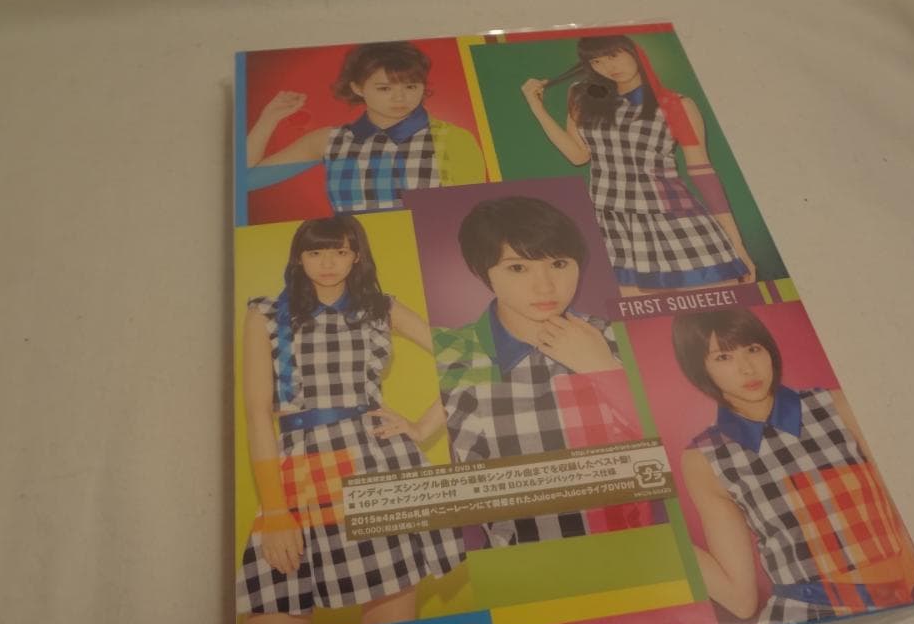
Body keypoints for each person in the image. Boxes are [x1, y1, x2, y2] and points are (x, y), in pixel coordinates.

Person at [237, 217, 464, 624]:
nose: (327, 263)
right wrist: (275, 512)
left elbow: (469, 356)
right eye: (315, 252)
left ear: (356, 256)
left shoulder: (381, 308)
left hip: (376, 466)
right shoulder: (264, 314)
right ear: (298, 258)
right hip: (300, 472)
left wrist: (421, 427)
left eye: (340, 252)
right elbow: (257, 415)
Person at [671, 307, 914, 624]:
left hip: (899, 600)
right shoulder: (705, 457)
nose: (747, 368)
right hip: (803, 617)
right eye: (723, 357)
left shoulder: (837, 406)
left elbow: (905, 511)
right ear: (700, 368)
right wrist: (662, 540)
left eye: (753, 349)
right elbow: (741, 600)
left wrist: (908, 578)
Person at [433, 195, 652, 546]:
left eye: (559, 263)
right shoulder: (449, 356)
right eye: (517, 268)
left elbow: (680, 456)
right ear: (483, 272)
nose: (545, 286)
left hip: (638, 552)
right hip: (520, 566)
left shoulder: (620, 339)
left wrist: (603, 370)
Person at [520, 35, 755, 296]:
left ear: (635, 52)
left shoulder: (676, 105)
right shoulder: (582, 97)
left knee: (714, 302)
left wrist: (736, 243)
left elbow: (702, 171)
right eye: (596, 61)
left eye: (613, 55)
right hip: (611, 222)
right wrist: (536, 106)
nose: (608, 67)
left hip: (672, 219)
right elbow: (578, 156)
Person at [246, 41, 485, 214]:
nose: (400, 97)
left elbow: (471, 215)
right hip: (355, 258)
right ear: (358, 88)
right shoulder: (330, 140)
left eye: (411, 86)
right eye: (385, 88)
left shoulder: (453, 138)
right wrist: (268, 119)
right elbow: (248, 180)